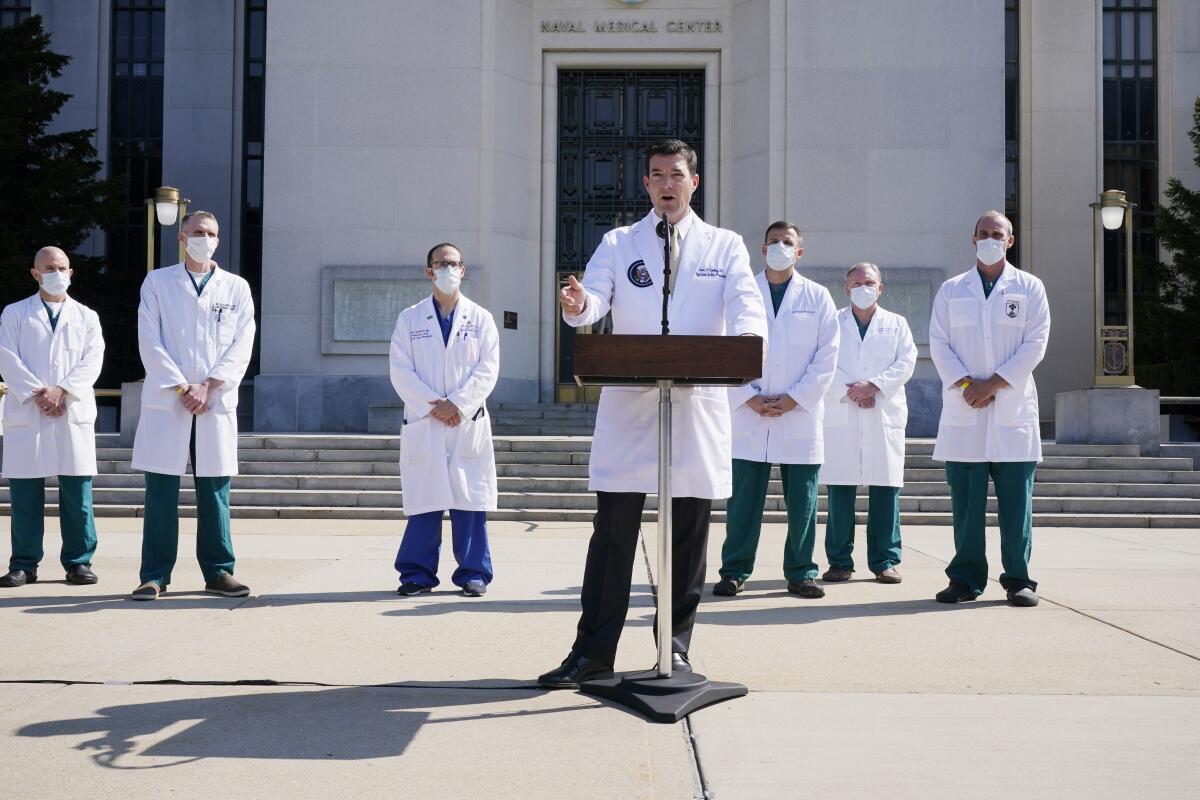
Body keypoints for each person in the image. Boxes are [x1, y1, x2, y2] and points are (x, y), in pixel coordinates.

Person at [539, 139, 768, 689]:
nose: (667, 184)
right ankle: (593, 652)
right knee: (613, 534)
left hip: (695, 404)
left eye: (677, 175)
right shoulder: (621, 242)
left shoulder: (724, 246)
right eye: (657, 175)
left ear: (695, 181)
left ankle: (676, 650)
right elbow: (593, 299)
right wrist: (578, 307)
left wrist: (747, 339)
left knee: (688, 539)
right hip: (629, 404)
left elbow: (745, 304)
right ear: (646, 184)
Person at [129, 211, 256, 600]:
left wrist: (209, 387)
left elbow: (242, 344)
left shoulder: (236, 287)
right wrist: (185, 387)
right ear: (182, 238)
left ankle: (219, 571)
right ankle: (154, 574)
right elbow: (150, 340)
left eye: (212, 233)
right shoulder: (158, 282)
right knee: (162, 490)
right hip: (171, 399)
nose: (205, 238)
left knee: (215, 488)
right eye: (198, 232)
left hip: (214, 402)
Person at [929, 210, 1050, 607]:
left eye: (997, 233)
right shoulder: (952, 289)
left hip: (1011, 409)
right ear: (972, 239)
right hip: (966, 409)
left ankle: (1019, 579)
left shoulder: (1030, 288)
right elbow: (939, 343)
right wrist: (969, 386)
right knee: (966, 505)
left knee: (1016, 504)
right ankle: (965, 578)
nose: (989, 238)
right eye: (983, 233)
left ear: (1010, 241)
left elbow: (1035, 344)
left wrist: (993, 384)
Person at [713, 221, 839, 600]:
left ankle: (802, 571)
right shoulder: (739, 293)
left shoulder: (817, 297)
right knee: (742, 505)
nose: (780, 247)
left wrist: (795, 398)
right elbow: (722, 346)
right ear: (762, 248)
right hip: (748, 413)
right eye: (773, 242)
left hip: (798, 414)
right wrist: (746, 395)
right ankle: (734, 571)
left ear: (800, 251)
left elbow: (828, 355)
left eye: (788, 242)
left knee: (803, 503)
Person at [389, 243, 500, 598]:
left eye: (453, 264)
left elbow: (488, 369)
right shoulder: (410, 318)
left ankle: (473, 573)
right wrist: (434, 405)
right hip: (428, 420)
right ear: (429, 271)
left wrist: (458, 405)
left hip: (465, 422)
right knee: (425, 499)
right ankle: (417, 574)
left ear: (463, 270)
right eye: (441, 264)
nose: (448, 269)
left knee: (469, 499)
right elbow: (400, 370)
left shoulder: (480, 318)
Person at [0, 247, 104, 588]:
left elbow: (92, 361)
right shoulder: (14, 314)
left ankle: (78, 562)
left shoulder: (87, 316)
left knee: (77, 493)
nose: (56, 273)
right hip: (29, 409)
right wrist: (40, 393)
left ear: (71, 272)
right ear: (35, 273)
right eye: (48, 268)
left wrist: (63, 390)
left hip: (71, 410)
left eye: (61, 267)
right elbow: (8, 358)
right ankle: (24, 564)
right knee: (25, 493)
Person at [820, 263, 917, 585]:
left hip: (882, 412)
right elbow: (821, 362)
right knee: (840, 490)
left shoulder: (897, 324)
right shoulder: (831, 321)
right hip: (842, 411)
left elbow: (906, 362)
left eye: (870, 282)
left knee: (885, 489)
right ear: (846, 289)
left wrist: (874, 385)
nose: (864, 287)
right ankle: (839, 562)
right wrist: (853, 391)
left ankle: (885, 560)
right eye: (857, 282)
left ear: (881, 288)